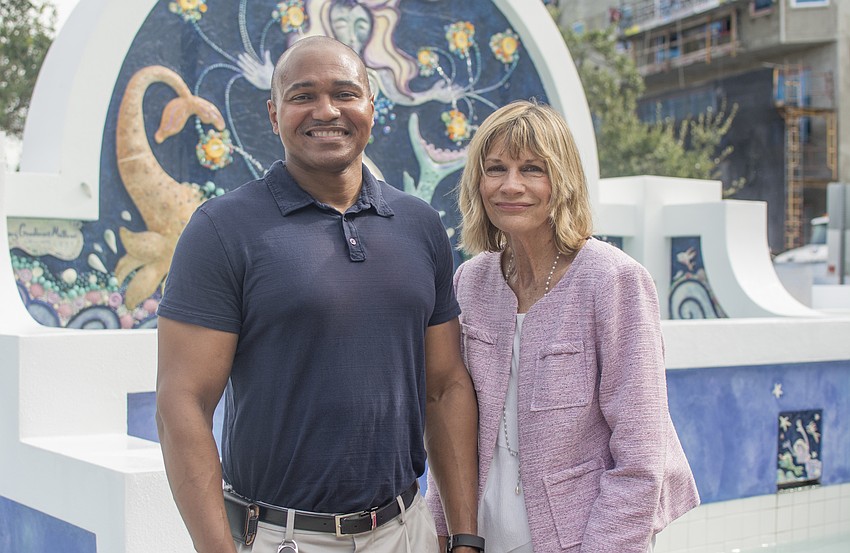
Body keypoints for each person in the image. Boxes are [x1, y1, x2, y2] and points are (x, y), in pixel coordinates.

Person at [156, 36, 481, 553]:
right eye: (303, 95)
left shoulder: (419, 225)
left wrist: (464, 536)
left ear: (372, 107)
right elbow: (183, 404)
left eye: (345, 93)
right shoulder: (222, 230)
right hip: (280, 538)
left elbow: (445, 387)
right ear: (274, 112)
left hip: (406, 532)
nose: (326, 110)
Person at [425, 100, 700, 552]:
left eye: (532, 169)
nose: (511, 185)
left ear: (563, 180)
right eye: (496, 169)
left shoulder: (614, 280)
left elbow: (641, 456)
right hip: (481, 537)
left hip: (577, 539)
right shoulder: (471, 281)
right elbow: (451, 421)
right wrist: (449, 532)